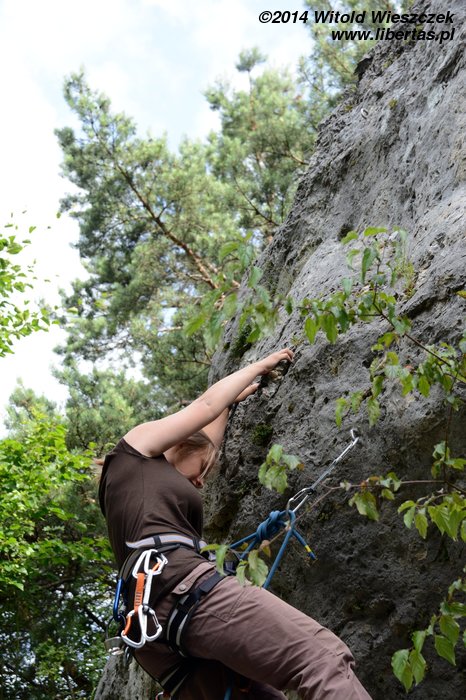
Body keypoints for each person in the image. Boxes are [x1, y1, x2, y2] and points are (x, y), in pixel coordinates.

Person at [99, 348, 372, 699]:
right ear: (180, 443)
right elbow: (204, 407)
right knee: (321, 657)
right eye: (201, 471)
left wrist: (231, 401)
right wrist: (260, 364)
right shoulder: (134, 449)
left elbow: (208, 429)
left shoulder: (135, 489)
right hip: (183, 587)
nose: (201, 483)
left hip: (156, 629)